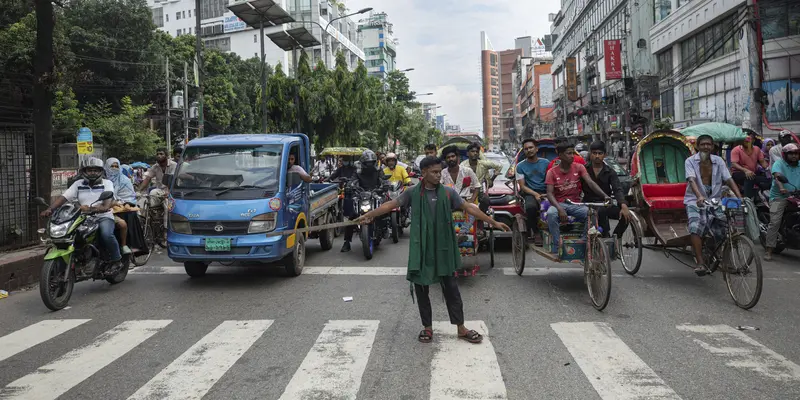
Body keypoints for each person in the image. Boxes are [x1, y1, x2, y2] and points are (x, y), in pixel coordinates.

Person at [358, 156, 510, 344]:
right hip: (421, 247)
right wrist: (369, 215)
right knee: (422, 288)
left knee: (451, 289)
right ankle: (427, 328)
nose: (439, 175)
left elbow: (468, 207)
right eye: (435, 172)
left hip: (443, 247)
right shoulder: (412, 192)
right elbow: (392, 204)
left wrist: (493, 222)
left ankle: (461, 328)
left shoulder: (448, 193)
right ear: (423, 173)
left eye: (440, 172)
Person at [40, 157, 123, 275]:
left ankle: (116, 260)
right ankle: (80, 259)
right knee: (70, 235)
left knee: (106, 234)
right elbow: (64, 198)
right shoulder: (77, 184)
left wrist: (91, 209)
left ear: (101, 171)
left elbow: (106, 205)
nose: (93, 172)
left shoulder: (107, 183)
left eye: (96, 170)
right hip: (81, 218)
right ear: (83, 171)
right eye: (90, 170)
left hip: (103, 216)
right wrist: (50, 209)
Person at [684, 134, 743, 275]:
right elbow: (691, 180)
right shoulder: (690, 161)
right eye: (703, 144)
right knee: (695, 225)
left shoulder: (718, 161)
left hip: (714, 199)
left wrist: (740, 197)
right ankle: (700, 262)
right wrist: (699, 196)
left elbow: (728, 179)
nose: (706, 146)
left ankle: (723, 257)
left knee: (725, 226)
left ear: (712, 146)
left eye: (708, 144)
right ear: (698, 146)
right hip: (694, 198)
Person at [545, 142, 609, 253]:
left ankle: (584, 243)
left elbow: (590, 182)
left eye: (572, 153)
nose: (571, 156)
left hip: (576, 204)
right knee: (551, 214)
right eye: (568, 153)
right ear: (560, 155)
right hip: (559, 204)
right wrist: (560, 209)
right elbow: (550, 194)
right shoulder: (552, 172)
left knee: (592, 214)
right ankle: (557, 245)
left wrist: (605, 195)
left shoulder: (579, 167)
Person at [584, 141, 631, 242]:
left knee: (626, 216)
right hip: (588, 205)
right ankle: (604, 235)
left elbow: (617, 188)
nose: (597, 156)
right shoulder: (584, 170)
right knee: (600, 212)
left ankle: (614, 239)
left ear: (604, 155)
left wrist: (623, 204)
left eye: (600, 153)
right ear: (590, 154)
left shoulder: (610, 171)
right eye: (594, 153)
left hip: (605, 204)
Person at [341, 150, 384, 252]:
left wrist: (385, 184)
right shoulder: (358, 171)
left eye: (371, 162)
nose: (369, 165)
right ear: (362, 163)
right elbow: (352, 180)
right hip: (361, 195)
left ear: (374, 162)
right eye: (367, 163)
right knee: (352, 216)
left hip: (375, 193)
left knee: (384, 212)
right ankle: (347, 242)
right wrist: (349, 186)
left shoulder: (378, 170)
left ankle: (385, 229)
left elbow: (383, 179)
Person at [765, 143, 800, 261]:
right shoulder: (779, 163)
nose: (794, 156)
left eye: (796, 153)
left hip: (796, 196)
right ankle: (769, 250)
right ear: (785, 155)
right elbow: (777, 175)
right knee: (774, 222)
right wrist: (781, 187)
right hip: (778, 197)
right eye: (791, 154)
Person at [515, 138, 550, 244]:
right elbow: (522, 186)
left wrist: (547, 194)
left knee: (555, 207)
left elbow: (551, 180)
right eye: (526, 149)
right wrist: (535, 194)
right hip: (530, 192)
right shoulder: (520, 166)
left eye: (531, 147)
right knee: (531, 208)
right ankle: (536, 233)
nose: (529, 150)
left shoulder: (546, 163)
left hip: (546, 191)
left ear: (536, 149)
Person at [105, 158, 135, 255]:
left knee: (127, 218)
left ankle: (125, 246)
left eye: (116, 166)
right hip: (103, 207)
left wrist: (126, 203)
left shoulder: (124, 180)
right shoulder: (102, 180)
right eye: (111, 166)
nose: (114, 168)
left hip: (121, 207)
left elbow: (129, 196)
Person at [461, 142, 501, 212]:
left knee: (486, 200)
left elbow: (499, 166)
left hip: (479, 192)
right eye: (472, 151)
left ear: (479, 154)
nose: (475, 153)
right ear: (468, 153)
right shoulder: (462, 165)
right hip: (467, 192)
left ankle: (481, 217)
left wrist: (493, 178)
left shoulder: (483, 164)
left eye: (477, 152)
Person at [730, 131, 769, 199]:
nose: (747, 141)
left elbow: (762, 162)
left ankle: (761, 198)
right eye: (745, 139)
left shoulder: (757, 149)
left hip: (753, 173)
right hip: (738, 173)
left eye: (749, 139)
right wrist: (745, 170)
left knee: (768, 181)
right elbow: (734, 164)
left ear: (753, 140)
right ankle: (747, 200)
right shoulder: (736, 150)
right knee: (749, 177)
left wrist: (769, 169)